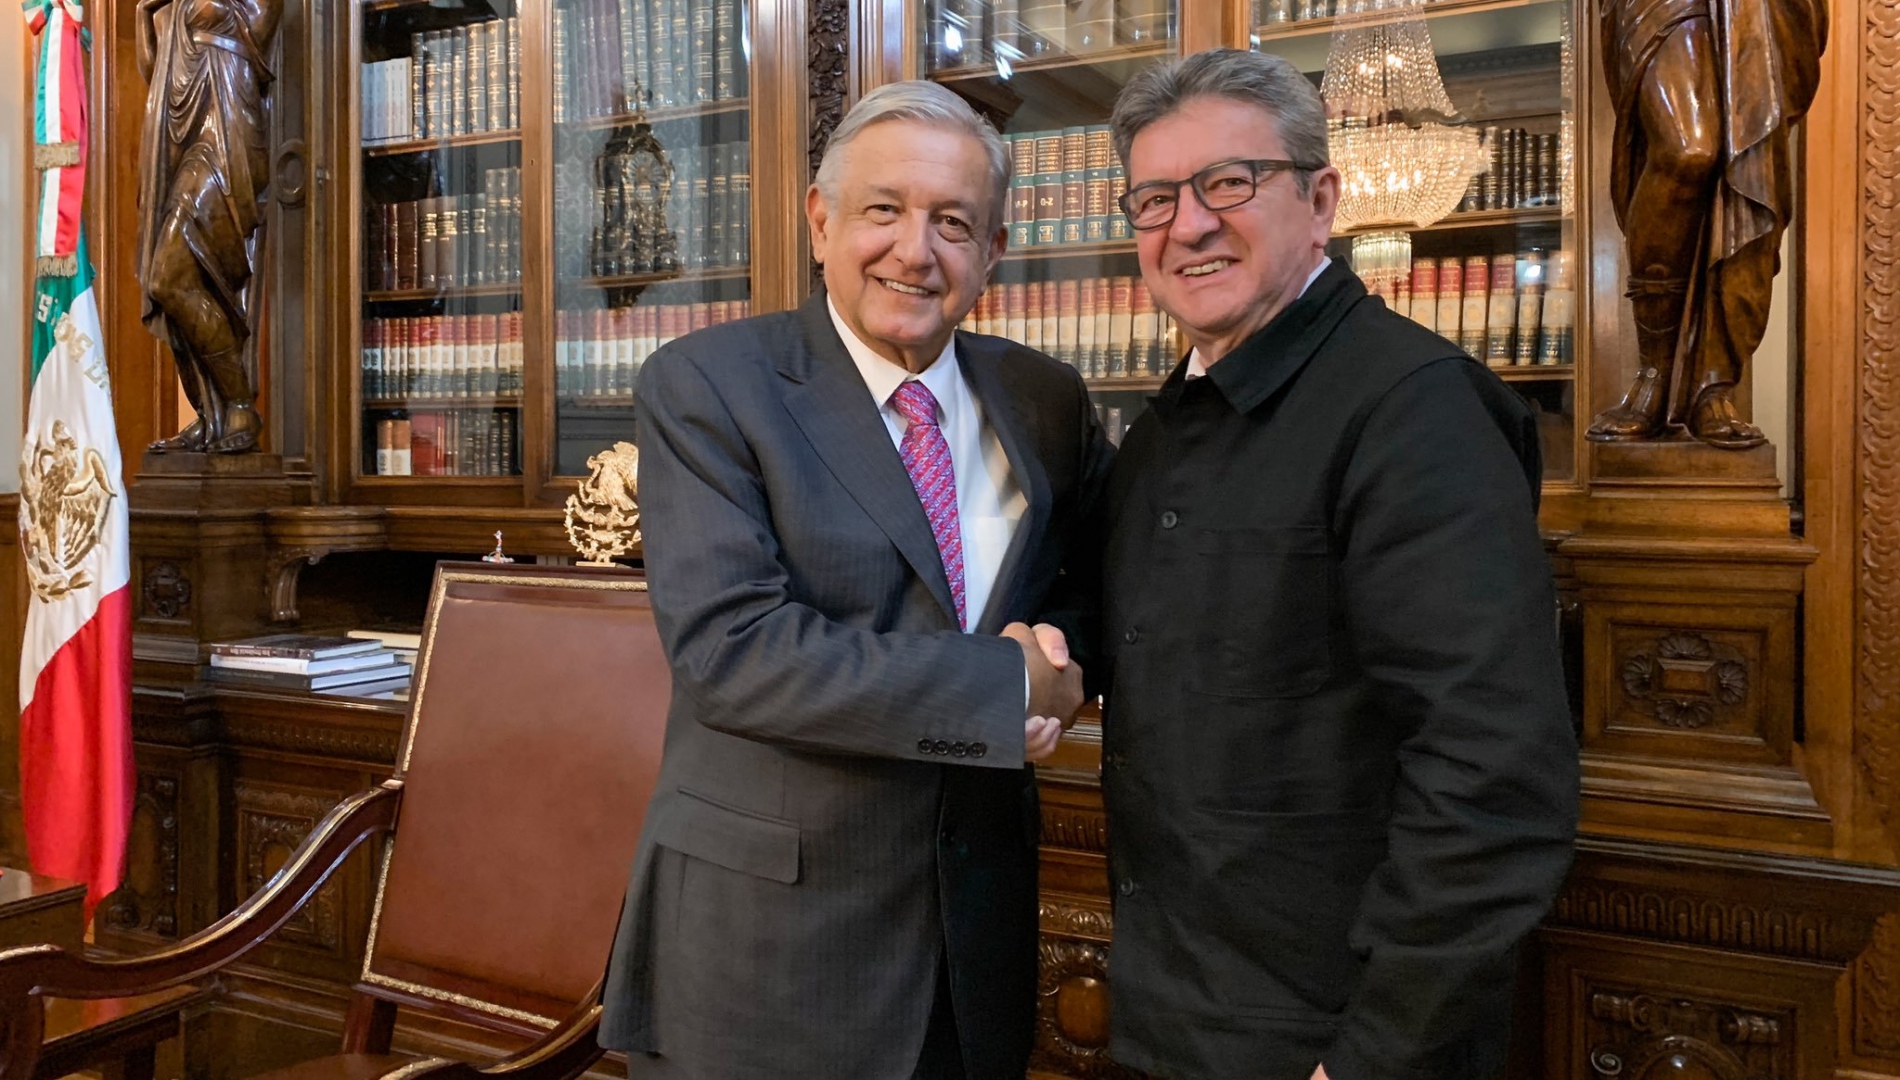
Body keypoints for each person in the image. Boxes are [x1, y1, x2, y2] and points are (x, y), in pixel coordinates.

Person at [599, 80, 1113, 1080]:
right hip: (772, 949)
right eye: (884, 209)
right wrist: (1003, 688)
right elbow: (733, 655)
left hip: (976, 937)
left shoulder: (1044, 399)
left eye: (953, 222)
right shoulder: (708, 385)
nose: (915, 250)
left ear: (994, 250)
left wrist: (1058, 660)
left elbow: (1084, 589)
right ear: (819, 219)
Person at [1097, 49, 1580, 1080]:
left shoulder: (1417, 412)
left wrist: (1370, 1057)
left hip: (1329, 1041)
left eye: (1229, 182)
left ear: (1319, 199)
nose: (1187, 224)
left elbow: (1491, 781)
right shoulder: (1160, 430)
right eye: (1153, 198)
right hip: (1169, 1014)